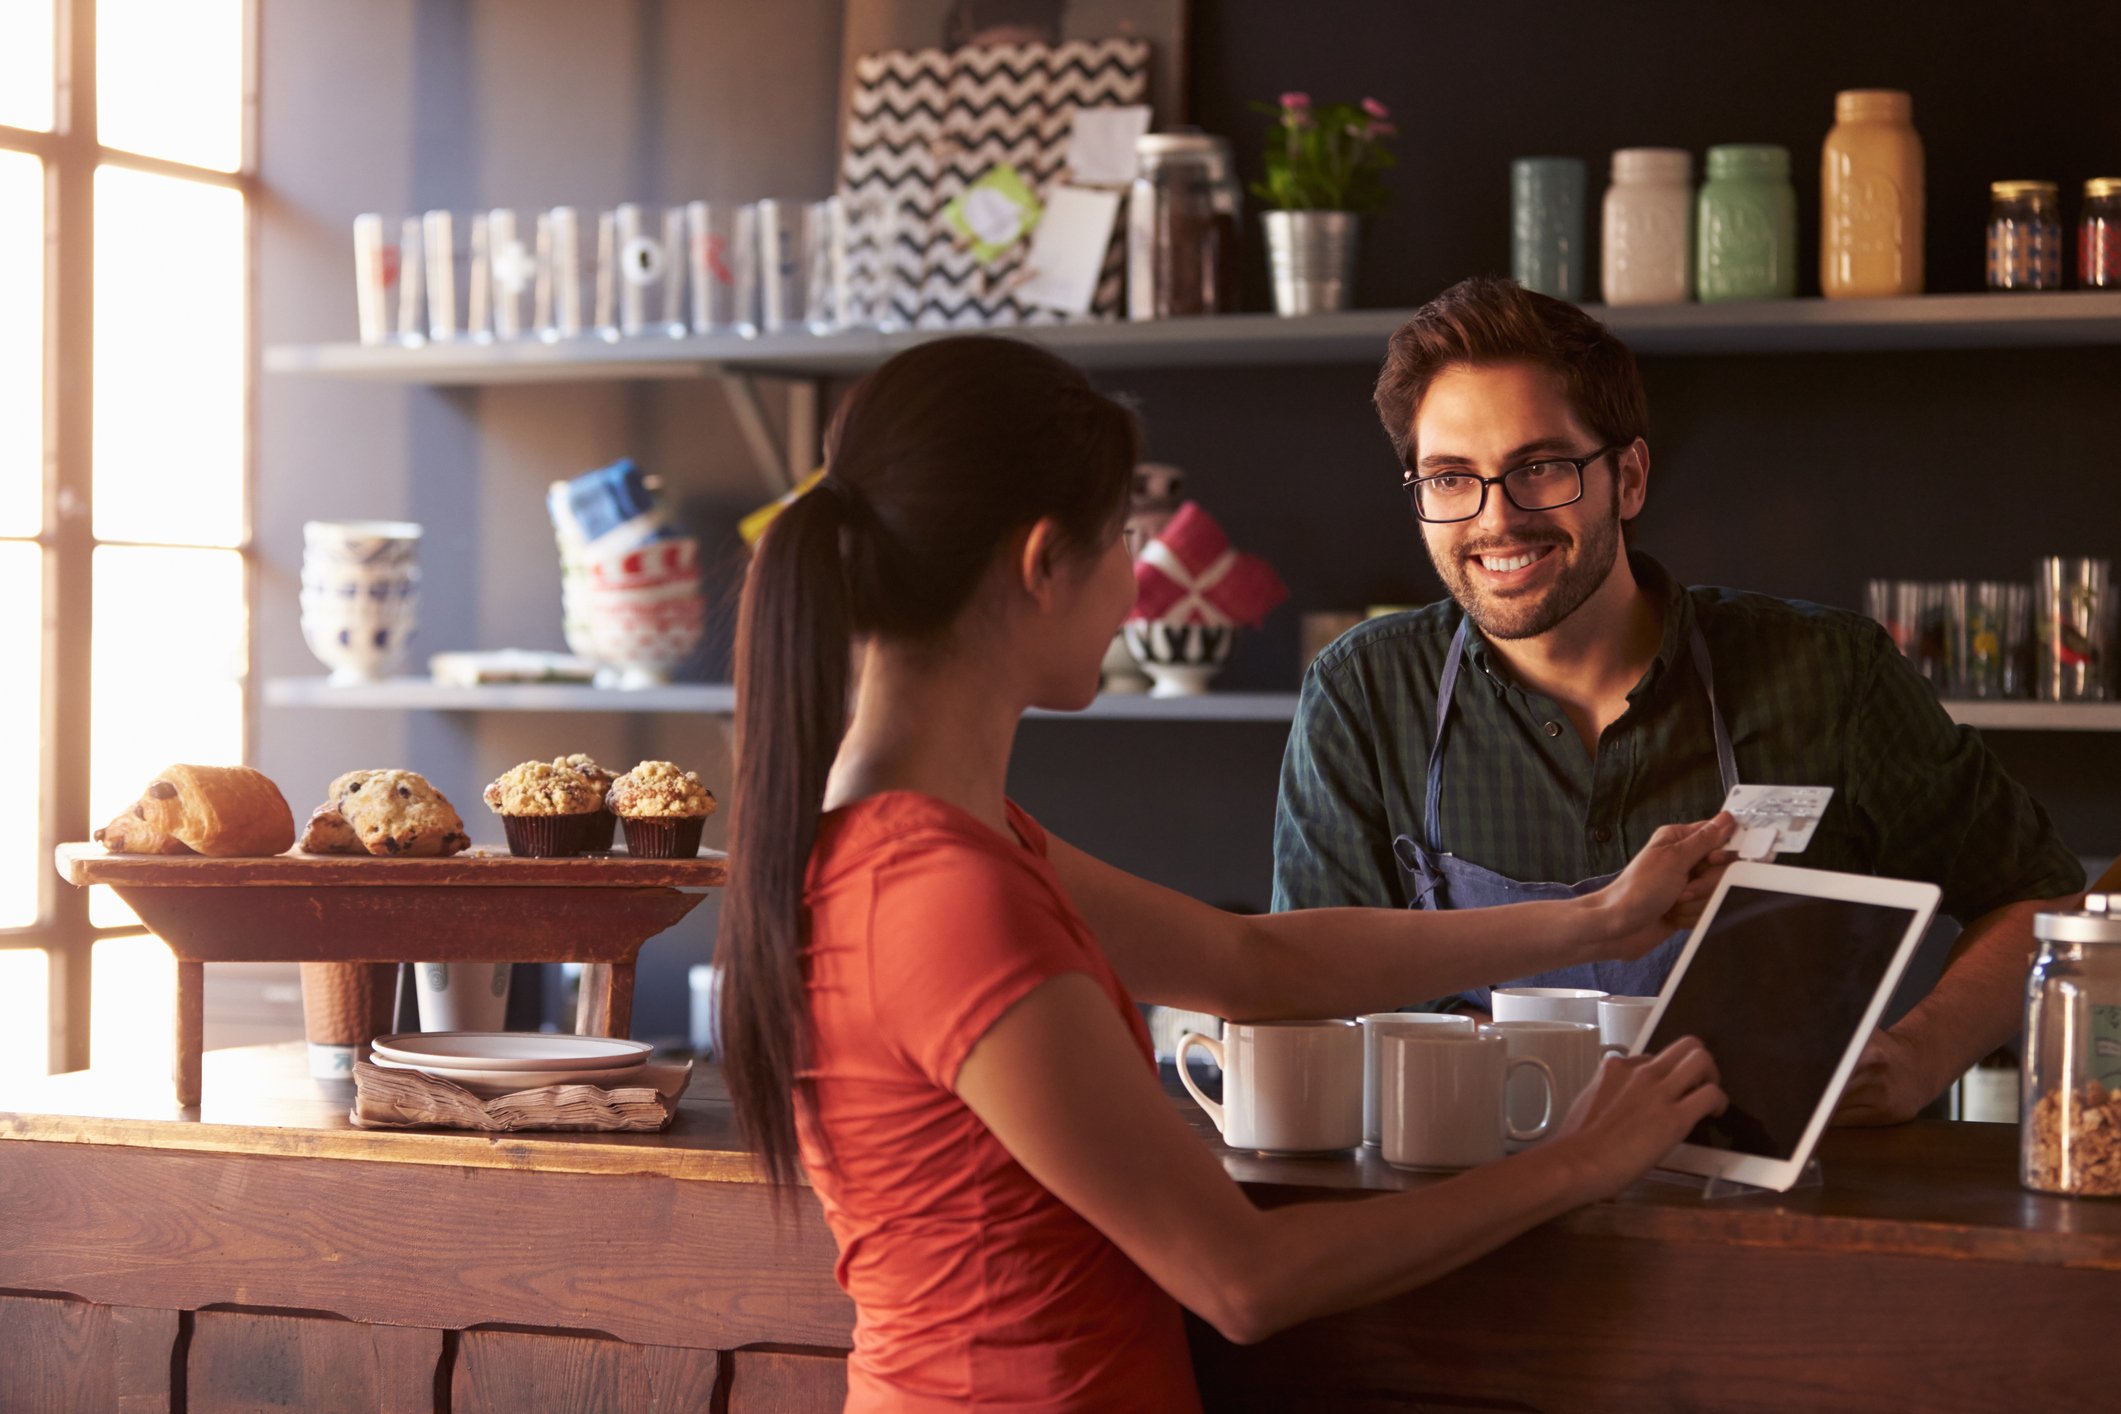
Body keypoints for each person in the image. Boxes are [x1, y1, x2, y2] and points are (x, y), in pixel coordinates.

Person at [718, 335, 1735, 1411]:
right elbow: (1242, 1280)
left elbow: (1248, 960)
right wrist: (1573, 1163)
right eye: (1123, 540)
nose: (1137, 582)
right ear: (1041, 564)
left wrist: (1599, 918)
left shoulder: (927, 842)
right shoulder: (941, 895)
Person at [1272, 275, 2085, 1127]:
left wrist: (1919, 1058)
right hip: (1474, 1213)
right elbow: (1303, 984)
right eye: (1448, 478)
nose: (1496, 518)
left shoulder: (1827, 675)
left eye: (1539, 467)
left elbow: (2039, 896)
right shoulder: (1364, 692)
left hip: (1770, 1222)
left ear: (1627, 477)